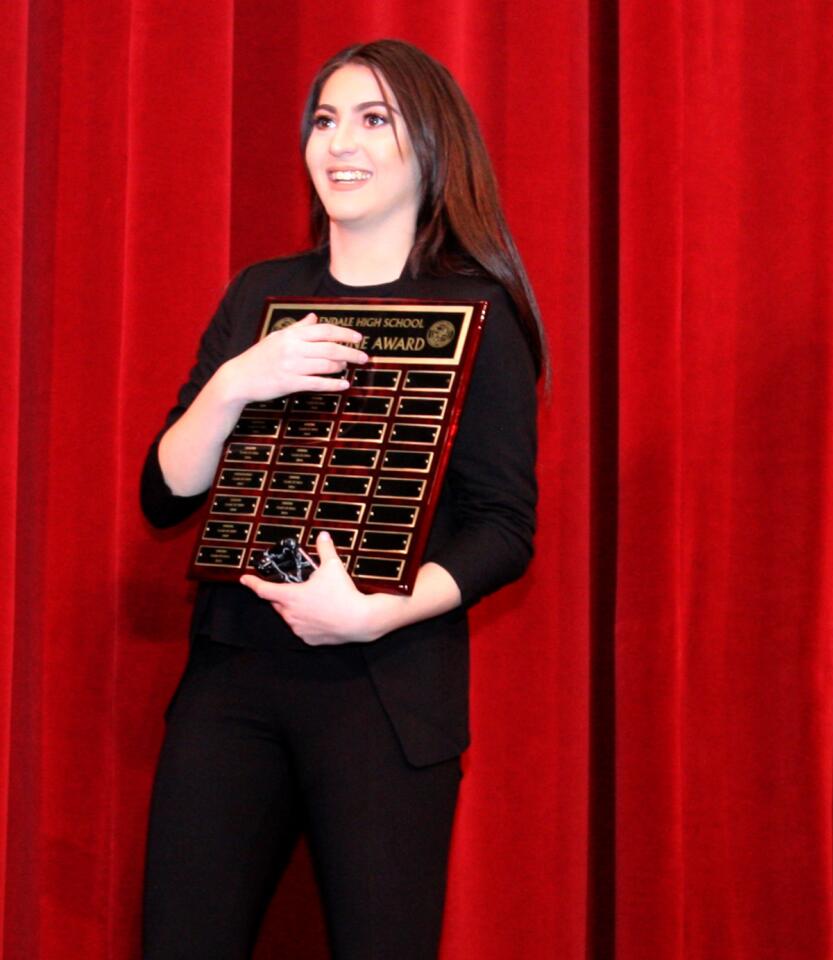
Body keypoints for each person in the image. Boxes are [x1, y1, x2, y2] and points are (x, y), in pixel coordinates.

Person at [138, 39, 544, 959]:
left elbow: (504, 527)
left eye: (373, 120)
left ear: (431, 145)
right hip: (231, 682)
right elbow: (165, 495)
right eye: (325, 120)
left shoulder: (478, 307)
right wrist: (236, 382)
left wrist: (376, 613)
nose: (340, 144)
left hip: (386, 695)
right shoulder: (260, 296)